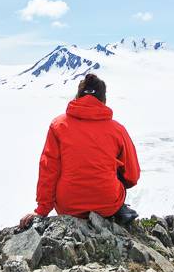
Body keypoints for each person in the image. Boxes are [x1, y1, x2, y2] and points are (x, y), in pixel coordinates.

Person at [19, 73, 140, 228]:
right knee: (114, 167)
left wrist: (42, 210)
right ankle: (117, 212)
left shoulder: (58, 125)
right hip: (108, 204)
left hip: (69, 206)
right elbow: (132, 176)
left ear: (77, 97)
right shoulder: (118, 129)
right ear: (104, 101)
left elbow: (49, 169)